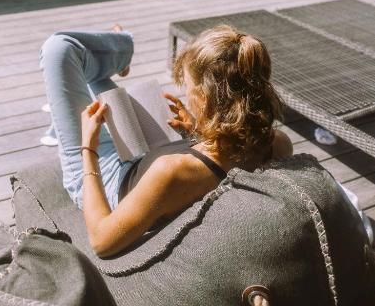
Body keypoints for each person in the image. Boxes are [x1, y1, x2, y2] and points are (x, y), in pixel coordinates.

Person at [40, 23, 294, 259]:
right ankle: (114, 57)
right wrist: (199, 131)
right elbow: (227, 158)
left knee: (60, 50)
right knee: (102, 87)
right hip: (151, 159)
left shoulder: (171, 172)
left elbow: (101, 242)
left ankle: (122, 46)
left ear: (205, 99)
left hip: (110, 180)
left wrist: (88, 147)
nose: (185, 92)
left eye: (188, 88)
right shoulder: (277, 143)